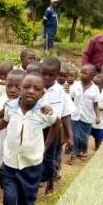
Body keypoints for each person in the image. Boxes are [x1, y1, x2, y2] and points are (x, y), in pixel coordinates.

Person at [0, 73, 56, 205]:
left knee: (28, 196)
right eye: (26, 87)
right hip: (10, 162)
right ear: (20, 89)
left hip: (31, 163)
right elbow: (5, 121)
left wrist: (46, 145)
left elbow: (56, 125)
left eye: (36, 89)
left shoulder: (44, 112)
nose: (30, 91)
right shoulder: (11, 106)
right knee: (9, 197)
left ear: (42, 93)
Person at [39, 57, 64, 195]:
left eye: (51, 75)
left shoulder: (61, 91)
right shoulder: (35, 86)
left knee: (49, 156)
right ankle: (36, 180)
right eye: (44, 74)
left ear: (58, 75)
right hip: (36, 129)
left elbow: (62, 115)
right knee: (35, 155)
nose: (47, 78)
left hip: (53, 129)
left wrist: (68, 135)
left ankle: (50, 183)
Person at [69, 65, 101, 162]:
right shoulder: (75, 86)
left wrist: (98, 116)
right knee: (75, 136)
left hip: (87, 117)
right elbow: (71, 99)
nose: (81, 74)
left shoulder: (95, 89)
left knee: (84, 137)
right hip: (75, 115)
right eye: (81, 72)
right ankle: (74, 153)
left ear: (92, 75)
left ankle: (83, 151)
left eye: (84, 73)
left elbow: (96, 104)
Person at [91, 74, 103, 151]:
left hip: (99, 120)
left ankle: (97, 148)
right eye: (93, 84)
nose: (95, 86)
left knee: (98, 136)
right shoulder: (91, 92)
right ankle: (83, 149)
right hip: (89, 118)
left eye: (97, 84)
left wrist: (95, 106)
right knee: (86, 134)